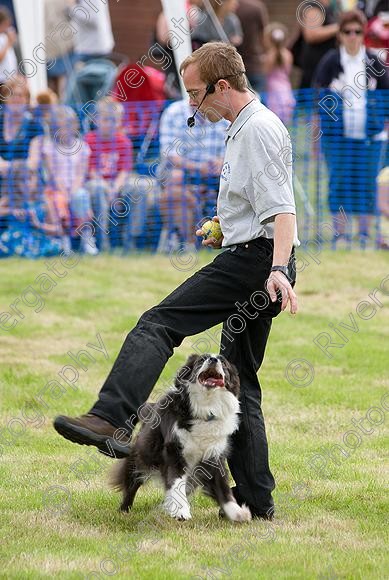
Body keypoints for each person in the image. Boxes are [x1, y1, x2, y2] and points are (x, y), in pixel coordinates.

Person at [53, 41, 298, 520]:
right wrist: (225, 227)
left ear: (222, 87)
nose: (192, 104)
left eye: (196, 94)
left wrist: (276, 269)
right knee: (241, 380)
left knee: (159, 322)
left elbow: (283, 211)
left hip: (255, 262)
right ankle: (259, 501)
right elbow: (259, 206)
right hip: (251, 253)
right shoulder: (242, 126)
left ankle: (111, 418)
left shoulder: (258, 131)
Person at [314, 9, 389, 247]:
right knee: (339, 182)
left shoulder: (374, 61)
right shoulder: (330, 61)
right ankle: (341, 235)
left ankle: (365, 235)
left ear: (363, 33)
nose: (353, 36)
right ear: (340, 34)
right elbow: (316, 97)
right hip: (338, 137)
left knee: (367, 183)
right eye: (347, 31)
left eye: (358, 31)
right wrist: (317, 135)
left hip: (371, 137)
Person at [157, 98, 227, 251]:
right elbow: (170, 155)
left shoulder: (224, 112)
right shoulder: (174, 112)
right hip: (183, 176)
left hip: (218, 179)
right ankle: (188, 241)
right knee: (176, 178)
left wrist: (222, 161)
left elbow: (234, 149)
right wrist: (197, 167)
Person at [27, 105, 97, 254]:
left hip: (76, 188)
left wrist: (73, 190)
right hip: (55, 188)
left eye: (69, 125)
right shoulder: (50, 147)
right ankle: (63, 241)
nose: (66, 129)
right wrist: (63, 191)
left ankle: (86, 237)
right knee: (58, 202)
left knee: (81, 197)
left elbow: (80, 173)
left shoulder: (82, 146)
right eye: (61, 126)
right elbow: (52, 173)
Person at [84, 98, 133, 251]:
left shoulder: (124, 142)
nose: (110, 124)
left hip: (117, 183)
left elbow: (125, 171)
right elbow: (90, 171)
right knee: (99, 189)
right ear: (96, 120)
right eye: (106, 119)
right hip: (95, 183)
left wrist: (115, 189)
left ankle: (132, 237)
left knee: (140, 187)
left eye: (114, 120)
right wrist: (107, 187)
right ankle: (102, 239)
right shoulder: (88, 140)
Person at [0, 161, 63, 258]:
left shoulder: (44, 201)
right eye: (22, 180)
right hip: (14, 238)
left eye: (29, 179)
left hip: (37, 238)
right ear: (16, 182)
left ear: (36, 180)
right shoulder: (11, 198)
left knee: (54, 246)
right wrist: (11, 211)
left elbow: (58, 229)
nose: (27, 184)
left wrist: (38, 224)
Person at [298, 0, 339, 89]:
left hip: (327, 68)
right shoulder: (314, 6)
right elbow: (311, 34)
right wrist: (339, 27)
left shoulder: (331, 7)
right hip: (314, 69)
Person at [262, 23, 296, 126]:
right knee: (284, 121)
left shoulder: (269, 56)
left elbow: (265, 72)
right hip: (285, 88)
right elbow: (288, 71)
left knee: (273, 121)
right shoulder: (288, 54)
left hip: (273, 90)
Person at [236, 0, 269, 95]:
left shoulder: (228, 5)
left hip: (232, 66)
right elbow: (264, 37)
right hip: (254, 64)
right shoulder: (256, 7)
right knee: (258, 103)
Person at [0, 5, 16, 85]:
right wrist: (9, 42)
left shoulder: (4, 37)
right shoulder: (4, 39)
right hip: (2, 79)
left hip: (8, 79)